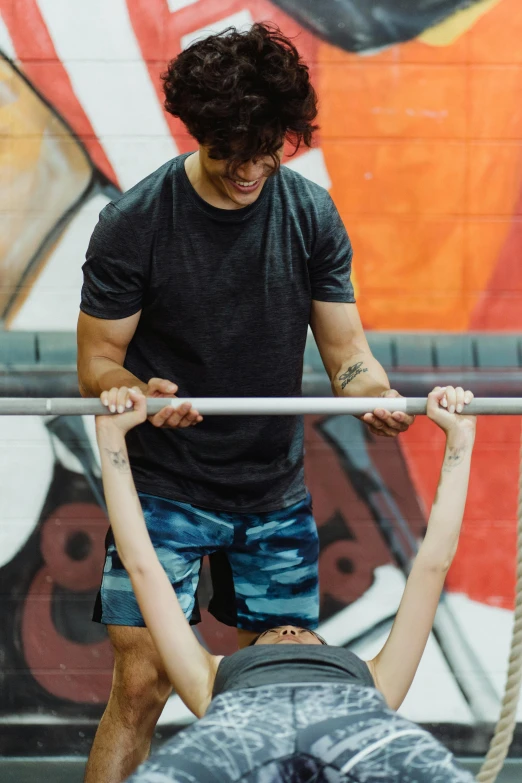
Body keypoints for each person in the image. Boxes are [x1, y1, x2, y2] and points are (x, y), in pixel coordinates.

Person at [77, 23, 415, 782]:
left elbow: (347, 357)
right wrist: (133, 390)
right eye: (235, 148)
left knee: (285, 692)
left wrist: (376, 397)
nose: (252, 166)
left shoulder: (309, 215)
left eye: (269, 147)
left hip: (271, 490)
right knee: (141, 685)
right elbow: (97, 362)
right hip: (163, 485)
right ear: (203, 129)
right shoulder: (134, 225)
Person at [93, 384, 475, 782]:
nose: (290, 631)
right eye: (291, 633)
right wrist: (111, 437)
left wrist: (461, 436)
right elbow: (143, 567)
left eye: (276, 632)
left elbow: (432, 564)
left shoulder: (212, 678)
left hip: (345, 731)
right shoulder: (374, 681)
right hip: (245, 732)